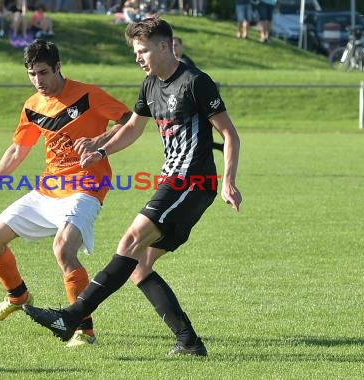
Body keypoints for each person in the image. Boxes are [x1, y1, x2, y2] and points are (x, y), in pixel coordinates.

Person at [23, 16, 242, 357]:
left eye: (142, 51)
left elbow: (229, 133)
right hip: (175, 182)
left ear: (164, 46)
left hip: (193, 181)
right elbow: (133, 128)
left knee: (129, 240)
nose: (138, 57)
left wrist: (228, 181)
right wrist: (101, 150)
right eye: (135, 52)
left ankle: (71, 316)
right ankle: (189, 342)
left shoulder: (196, 82)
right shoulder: (150, 85)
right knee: (139, 267)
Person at [0, 39, 131, 348]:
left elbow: (130, 121)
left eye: (43, 72)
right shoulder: (32, 106)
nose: (38, 80)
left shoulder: (88, 95)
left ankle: (84, 331)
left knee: (64, 249)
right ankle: (17, 296)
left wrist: (99, 141)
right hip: (48, 189)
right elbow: (17, 149)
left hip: (87, 186)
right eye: (31, 74)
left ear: (58, 68)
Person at [172, 36, 224, 153]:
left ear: (181, 47)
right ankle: (220, 147)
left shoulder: (185, 63)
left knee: (193, 137)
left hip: (193, 105)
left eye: (176, 45)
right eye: (171, 46)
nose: (173, 48)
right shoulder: (175, 63)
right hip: (184, 104)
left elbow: (192, 83)